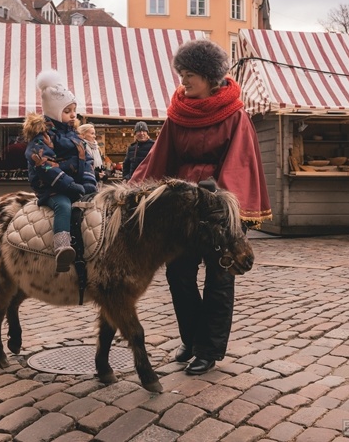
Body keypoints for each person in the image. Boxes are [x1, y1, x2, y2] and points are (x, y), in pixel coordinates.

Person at [130, 39, 272, 376]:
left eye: (189, 74)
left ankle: (209, 350)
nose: (183, 82)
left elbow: (241, 163)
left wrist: (219, 203)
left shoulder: (235, 115)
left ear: (210, 77)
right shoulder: (178, 114)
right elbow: (160, 157)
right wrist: (132, 191)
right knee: (179, 274)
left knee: (220, 278)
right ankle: (191, 339)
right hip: (182, 210)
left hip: (219, 211)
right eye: (181, 74)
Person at [23, 70, 97, 272]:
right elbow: (44, 165)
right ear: (55, 111)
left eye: (74, 110)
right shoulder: (42, 136)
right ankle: (62, 246)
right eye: (67, 111)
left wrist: (89, 182)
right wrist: (69, 185)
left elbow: (86, 157)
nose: (73, 114)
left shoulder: (73, 134)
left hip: (77, 185)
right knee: (63, 206)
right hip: (52, 188)